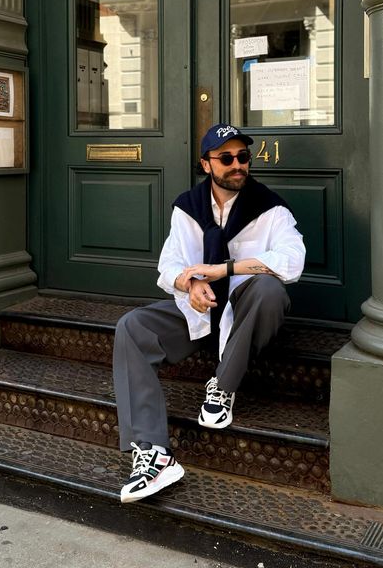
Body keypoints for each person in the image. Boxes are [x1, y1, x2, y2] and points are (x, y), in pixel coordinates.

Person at [113, 123, 306, 503]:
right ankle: (154, 453)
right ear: (206, 164)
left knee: (269, 289)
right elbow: (167, 266)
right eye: (226, 158)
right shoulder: (188, 207)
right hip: (200, 314)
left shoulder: (270, 208)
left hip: (246, 313)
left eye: (243, 157)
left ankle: (223, 385)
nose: (238, 165)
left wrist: (226, 270)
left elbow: (292, 261)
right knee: (132, 327)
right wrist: (189, 283)